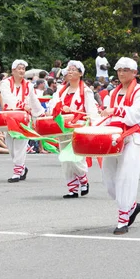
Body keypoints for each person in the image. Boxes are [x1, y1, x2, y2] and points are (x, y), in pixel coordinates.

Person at [99, 57, 140, 234]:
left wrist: (115, 111)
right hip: (112, 138)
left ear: (134, 73)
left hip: (130, 138)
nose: (121, 73)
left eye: (125, 70)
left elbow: (135, 116)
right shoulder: (113, 93)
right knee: (109, 182)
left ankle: (123, 220)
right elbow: (108, 116)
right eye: (119, 70)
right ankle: (131, 206)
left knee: (126, 178)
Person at [47, 61, 99, 198]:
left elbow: (91, 110)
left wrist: (92, 123)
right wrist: (55, 109)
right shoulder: (61, 90)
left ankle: (83, 179)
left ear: (80, 74)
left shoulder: (86, 91)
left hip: (78, 127)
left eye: (74, 69)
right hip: (62, 127)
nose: (70, 72)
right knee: (64, 158)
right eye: (68, 69)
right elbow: (53, 105)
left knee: (76, 157)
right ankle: (73, 188)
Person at [0, 60, 45, 183]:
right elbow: (7, 97)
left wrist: (40, 114)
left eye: (23, 69)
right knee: (10, 145)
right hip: (9, 117)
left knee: (20, 144)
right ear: (13, 70)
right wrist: (21, 105)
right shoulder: (5, 83)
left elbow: (33, 100)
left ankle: (17, 172)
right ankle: (22, 167)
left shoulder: (29, 85)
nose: (21, 71)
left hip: (23, 118)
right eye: (19, 68)